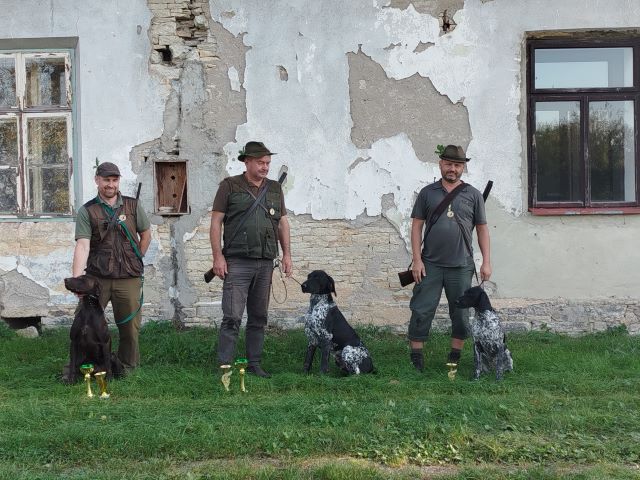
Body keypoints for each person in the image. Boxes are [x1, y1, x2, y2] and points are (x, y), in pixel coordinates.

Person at [209, 141, 292, 378]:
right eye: (260, 162)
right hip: (237, 262)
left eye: (267, 163)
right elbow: (216, 223)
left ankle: (254, 363)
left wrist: (287, 254)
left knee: (259, 316)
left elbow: (282, 223)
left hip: (265, 262)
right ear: (247, 162)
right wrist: (218, 257)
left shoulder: (275, 188)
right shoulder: (229, 186)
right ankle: (225, 365)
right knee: (232, 316)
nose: (265, 167)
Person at [407, 144, 491, 371]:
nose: (452, 169)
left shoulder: (473, 195)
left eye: (457, 165)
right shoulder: (427, 193)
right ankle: (416, 356)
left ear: (463, 167)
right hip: (430, 264)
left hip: (461, 265)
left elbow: (482, 229)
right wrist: (417, 259)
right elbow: (416, 227)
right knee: (421, 309)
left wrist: (486, 261)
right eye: (448, 164)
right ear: (440, 164)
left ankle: (454, 354)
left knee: (461, 313)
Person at [70, 161, 151, 371]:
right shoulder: (87, 211)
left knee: (130, 328)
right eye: (106, 180)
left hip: (129, 278)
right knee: (85, 325)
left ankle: (126, 367)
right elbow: (82, 246)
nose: (110, 185)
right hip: (98, 278)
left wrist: (137, 257)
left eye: (114, 180)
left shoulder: (132, 206)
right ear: (97, 180)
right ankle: (84, 365)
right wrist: (79, 281)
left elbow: (146, 234)